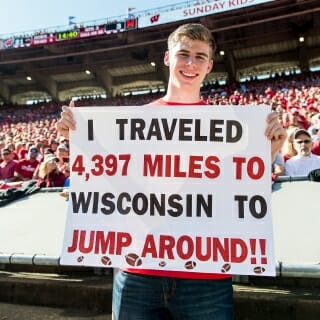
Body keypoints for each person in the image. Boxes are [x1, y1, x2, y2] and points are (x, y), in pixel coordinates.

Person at [56, 23, 287, 320]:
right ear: (167, 58)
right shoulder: (134, 121)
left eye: (200, 57)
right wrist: (77, 139)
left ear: (210, 65)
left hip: (207, 275)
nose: (191, 63)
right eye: (184, 54)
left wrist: (267, 151)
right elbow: (114, 178)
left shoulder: (236, 126)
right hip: (138, 268)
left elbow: (235, 187)